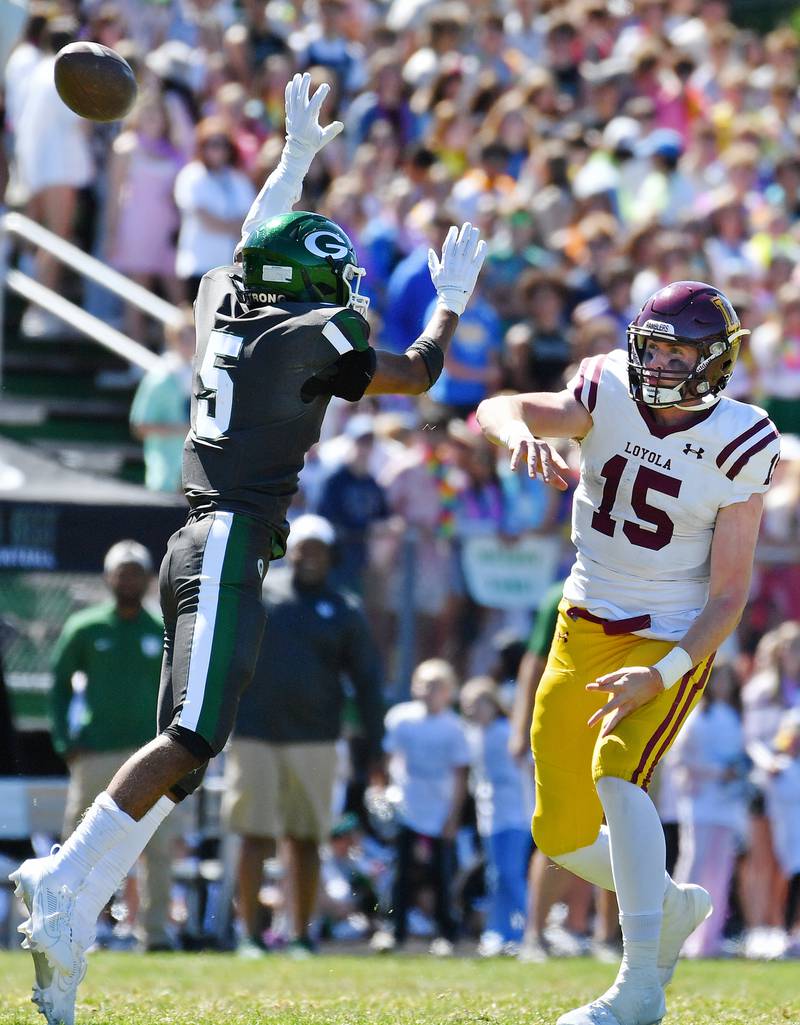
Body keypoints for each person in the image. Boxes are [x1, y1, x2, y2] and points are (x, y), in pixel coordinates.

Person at [11, 72, 486, 1025]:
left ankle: (71, 905)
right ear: (312, 290)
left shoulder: (225, 299)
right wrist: (449, 303)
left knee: (184, 754)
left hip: (204, 531)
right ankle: (64, 884)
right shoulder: (311, 334)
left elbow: (256, 242)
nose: (343, 295)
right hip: (227, 536)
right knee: (191, 740)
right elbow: (421, 374)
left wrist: (295, 163)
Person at [477, 280, 780, 1025]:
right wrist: (517, 431)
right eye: (655, 345)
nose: (664, 362)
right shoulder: (607, 384)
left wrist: (664, 671)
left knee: (620, 772)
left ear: (716, 360)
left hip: (672, 631)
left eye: (681, 350)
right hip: (584, 620)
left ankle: (639, 987)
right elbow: (500, 405)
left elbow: (728, 596)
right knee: (560, 832)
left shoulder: (745, 439)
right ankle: (669, 903)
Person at [221, 513, 384, 957]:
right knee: (254, 835)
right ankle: (249, 935)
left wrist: (376, 742)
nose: (309, 555)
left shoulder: (344, 609)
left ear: (331, 555)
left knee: (306, 838)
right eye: (303, 546)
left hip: (315, 737)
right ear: (290, 550)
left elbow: (367, 680)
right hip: (254, 732)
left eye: (318, 548)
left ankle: (300, 935)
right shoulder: (262, 594)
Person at [48, 541, 177, 954]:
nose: (129, 579)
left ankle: (154, 933)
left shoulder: (161, 629)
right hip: (97, 751)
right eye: (122, 572)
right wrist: (65, 740)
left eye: (136, 572)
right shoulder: (86, 627)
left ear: (148, 579)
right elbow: (58, 685)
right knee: (79, 842)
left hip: (151, 755)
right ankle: (65, 927)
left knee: (157, 843)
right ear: (108, 577)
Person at [375, 658, 471, 955]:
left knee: (440, 874)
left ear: (449, 691)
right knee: (401, 872)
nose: (429, 692)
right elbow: (389, 760)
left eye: (437, 686)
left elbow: (460, 775)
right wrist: (383, 792)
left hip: (439, 810)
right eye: (425, 685)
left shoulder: (454, 728)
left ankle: (446, 933)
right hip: (407, 808)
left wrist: (453, 816)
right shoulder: (401, 718)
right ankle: (395, 931)